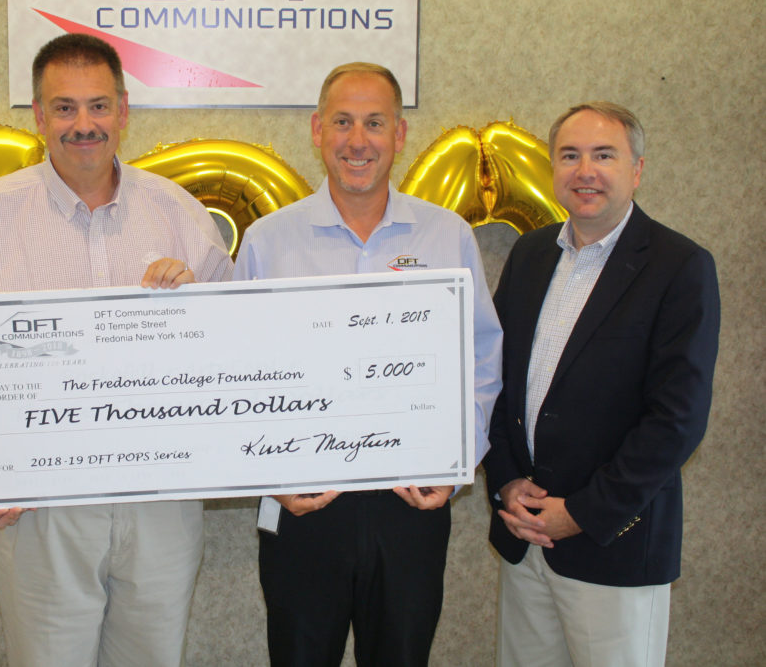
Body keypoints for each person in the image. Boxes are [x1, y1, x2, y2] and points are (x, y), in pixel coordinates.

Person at [0, 33, 232, 667]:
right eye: (64, 107)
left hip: (160, 499)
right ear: (39, 116)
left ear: (123, 109)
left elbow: (233, 341)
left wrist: (194, 307)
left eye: (98, 105)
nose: (83, 124)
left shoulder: (176, 212)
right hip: (42, 505)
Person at [233, 63, 503, 666]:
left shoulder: (447, 237)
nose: (358, 141)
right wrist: (268, 477)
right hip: (302, 505)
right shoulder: (268, 242)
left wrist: (458, 460)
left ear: (400, 134)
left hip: (409, 504)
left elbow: (483, 357)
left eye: (375, 123)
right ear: (317, 129)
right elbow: (237, 369)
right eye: (343, 122)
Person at [483, 102, 721, 667]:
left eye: (604, 155)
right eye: (570, 155)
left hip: (615, 542)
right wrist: (507, 480)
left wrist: (583, 512)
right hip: (526, 538)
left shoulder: (679, 266)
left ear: (636, 169)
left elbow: (677, 419)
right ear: (553, 168)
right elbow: (495, 378)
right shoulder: (530, 254)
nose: (585, 170)